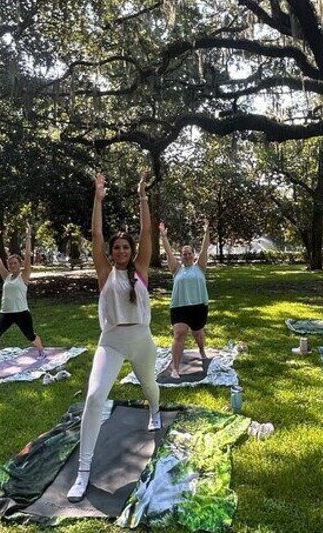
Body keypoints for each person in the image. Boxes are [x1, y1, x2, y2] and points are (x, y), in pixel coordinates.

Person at [67, 171, 161, 503]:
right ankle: (83, 473)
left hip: (142, 339)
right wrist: (97, 197)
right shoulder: (104, 272)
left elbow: (147, 230)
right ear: (111, 252)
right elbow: (95, 232)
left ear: (132, 251)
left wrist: (142, 195)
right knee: (94, 398)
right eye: (116, 247)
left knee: (150, 385)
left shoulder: (141, 270)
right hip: (111, 341)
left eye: (126, 247)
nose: (121, 250)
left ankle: (155, 412)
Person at [0, 224, 44, 376]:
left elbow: (27, 255)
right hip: (5, 313)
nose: (12, 265)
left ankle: (41, 350)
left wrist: (28, 236)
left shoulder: (24, 276)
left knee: (30, 336)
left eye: (15, 263)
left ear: (20, 265)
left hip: (22, 313)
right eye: (10, 263)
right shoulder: (6, 276)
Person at [159, 220, 210, 378]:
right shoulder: (176, 269)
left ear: (193, 256)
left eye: (189, 253)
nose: (187, 256)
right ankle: (175, 368)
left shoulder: (200, 267)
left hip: (198, 307)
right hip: (179, 307)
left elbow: (204, 248)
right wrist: (163, 236)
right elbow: (168, 252)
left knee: (198, 333)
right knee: (179, 334)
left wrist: (207, 231)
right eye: (184, 254)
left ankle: (201, 350)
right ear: (181, 256)